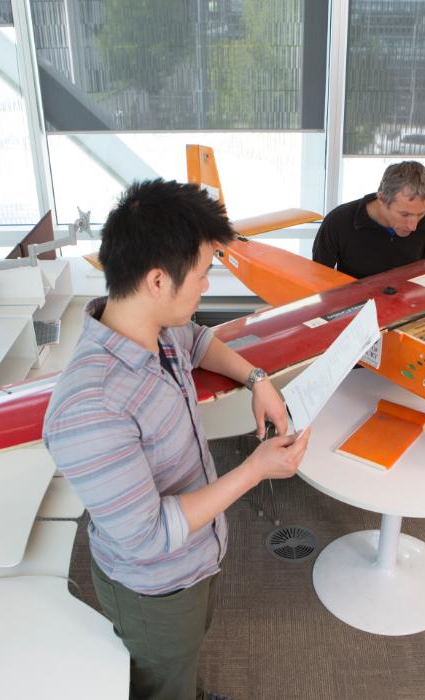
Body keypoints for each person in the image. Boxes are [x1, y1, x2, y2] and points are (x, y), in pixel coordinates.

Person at [42, 179, 311, 699]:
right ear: (159, 280)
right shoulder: (91, 406)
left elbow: (200, 340)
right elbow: (146, 536)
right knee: (161, 671)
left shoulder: (155, 332)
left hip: (197, 558)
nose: (207, 286)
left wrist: (259, 381)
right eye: (205, 272)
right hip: (157, 588)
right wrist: (254, 469)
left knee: (181, 659)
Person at [311, 161, 425, 278]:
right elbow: (319, 277)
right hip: (358, 303)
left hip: (410, 297)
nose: (413, 226)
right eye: (404, 215)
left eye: (421, 214)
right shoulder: (338, 222)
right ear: (382, 199)